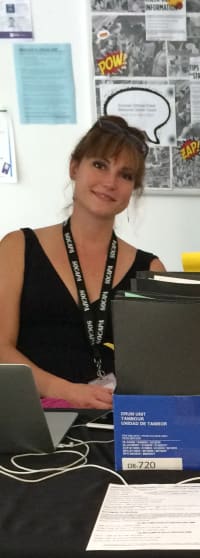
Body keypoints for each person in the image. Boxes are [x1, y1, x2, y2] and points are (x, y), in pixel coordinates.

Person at [0, 115, 166, 409]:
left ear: (133, 190)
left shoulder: (150, 270)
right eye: (100, 165)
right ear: (74, 167)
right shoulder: (17, 248)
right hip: (34, 420)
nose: (110, 182)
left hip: (116, 423)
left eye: (125, 175)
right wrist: (66, 391)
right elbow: (1, 349)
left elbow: (157, 365)